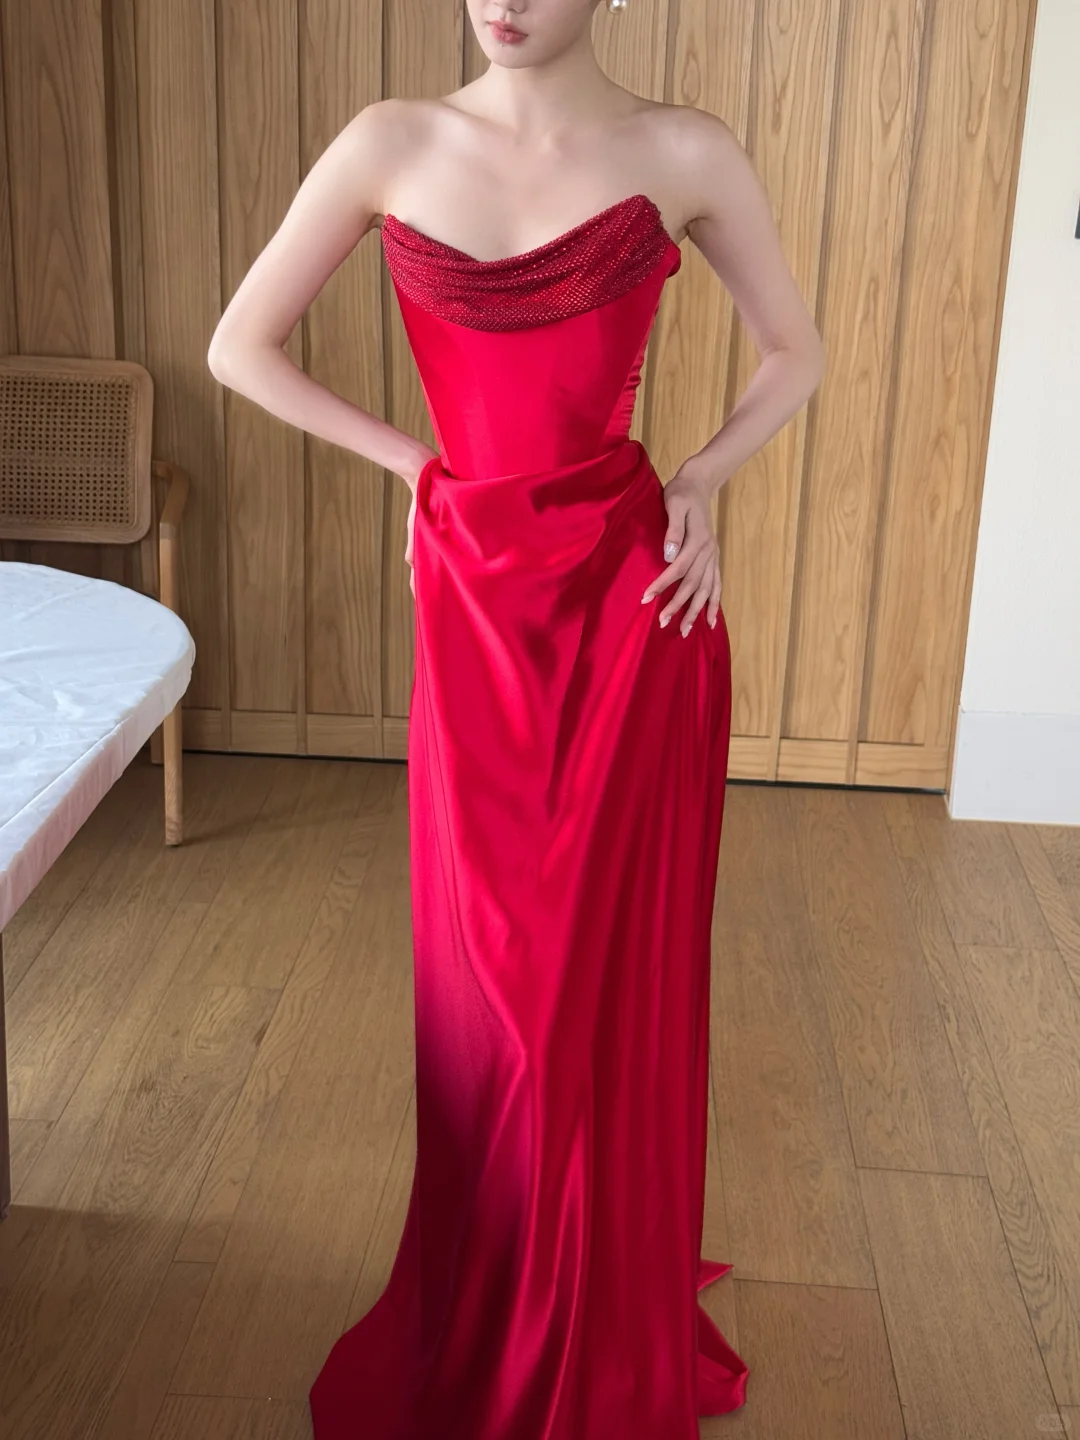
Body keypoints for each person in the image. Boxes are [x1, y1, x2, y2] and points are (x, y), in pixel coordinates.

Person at [208, 2, 824, 1435]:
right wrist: (413, 468)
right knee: (488, 985)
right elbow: (242, 344)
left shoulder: (683, 150)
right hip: (474, 599)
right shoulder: (390, 141)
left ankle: (591, 1307)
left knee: (592, 982)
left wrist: (701, 480)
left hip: (631, 604)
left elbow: (793, 352)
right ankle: (501, 1301)